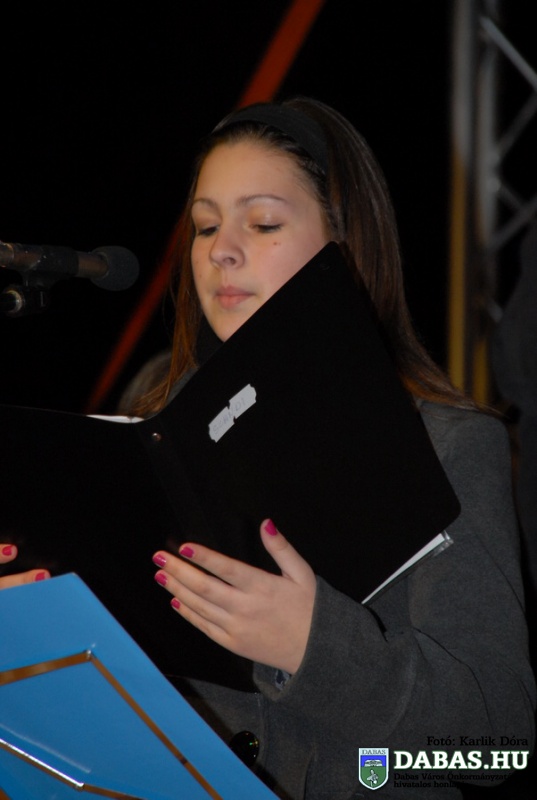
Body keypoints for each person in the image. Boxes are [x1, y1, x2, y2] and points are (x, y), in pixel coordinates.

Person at [1, 97, 535, 799]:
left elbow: (497, 747)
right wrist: (33, 644)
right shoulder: (146, 440)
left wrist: (310, 645)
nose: (220, 249)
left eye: (262, 223)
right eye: (205, 226)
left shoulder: (448, 445)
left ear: (346, 244)